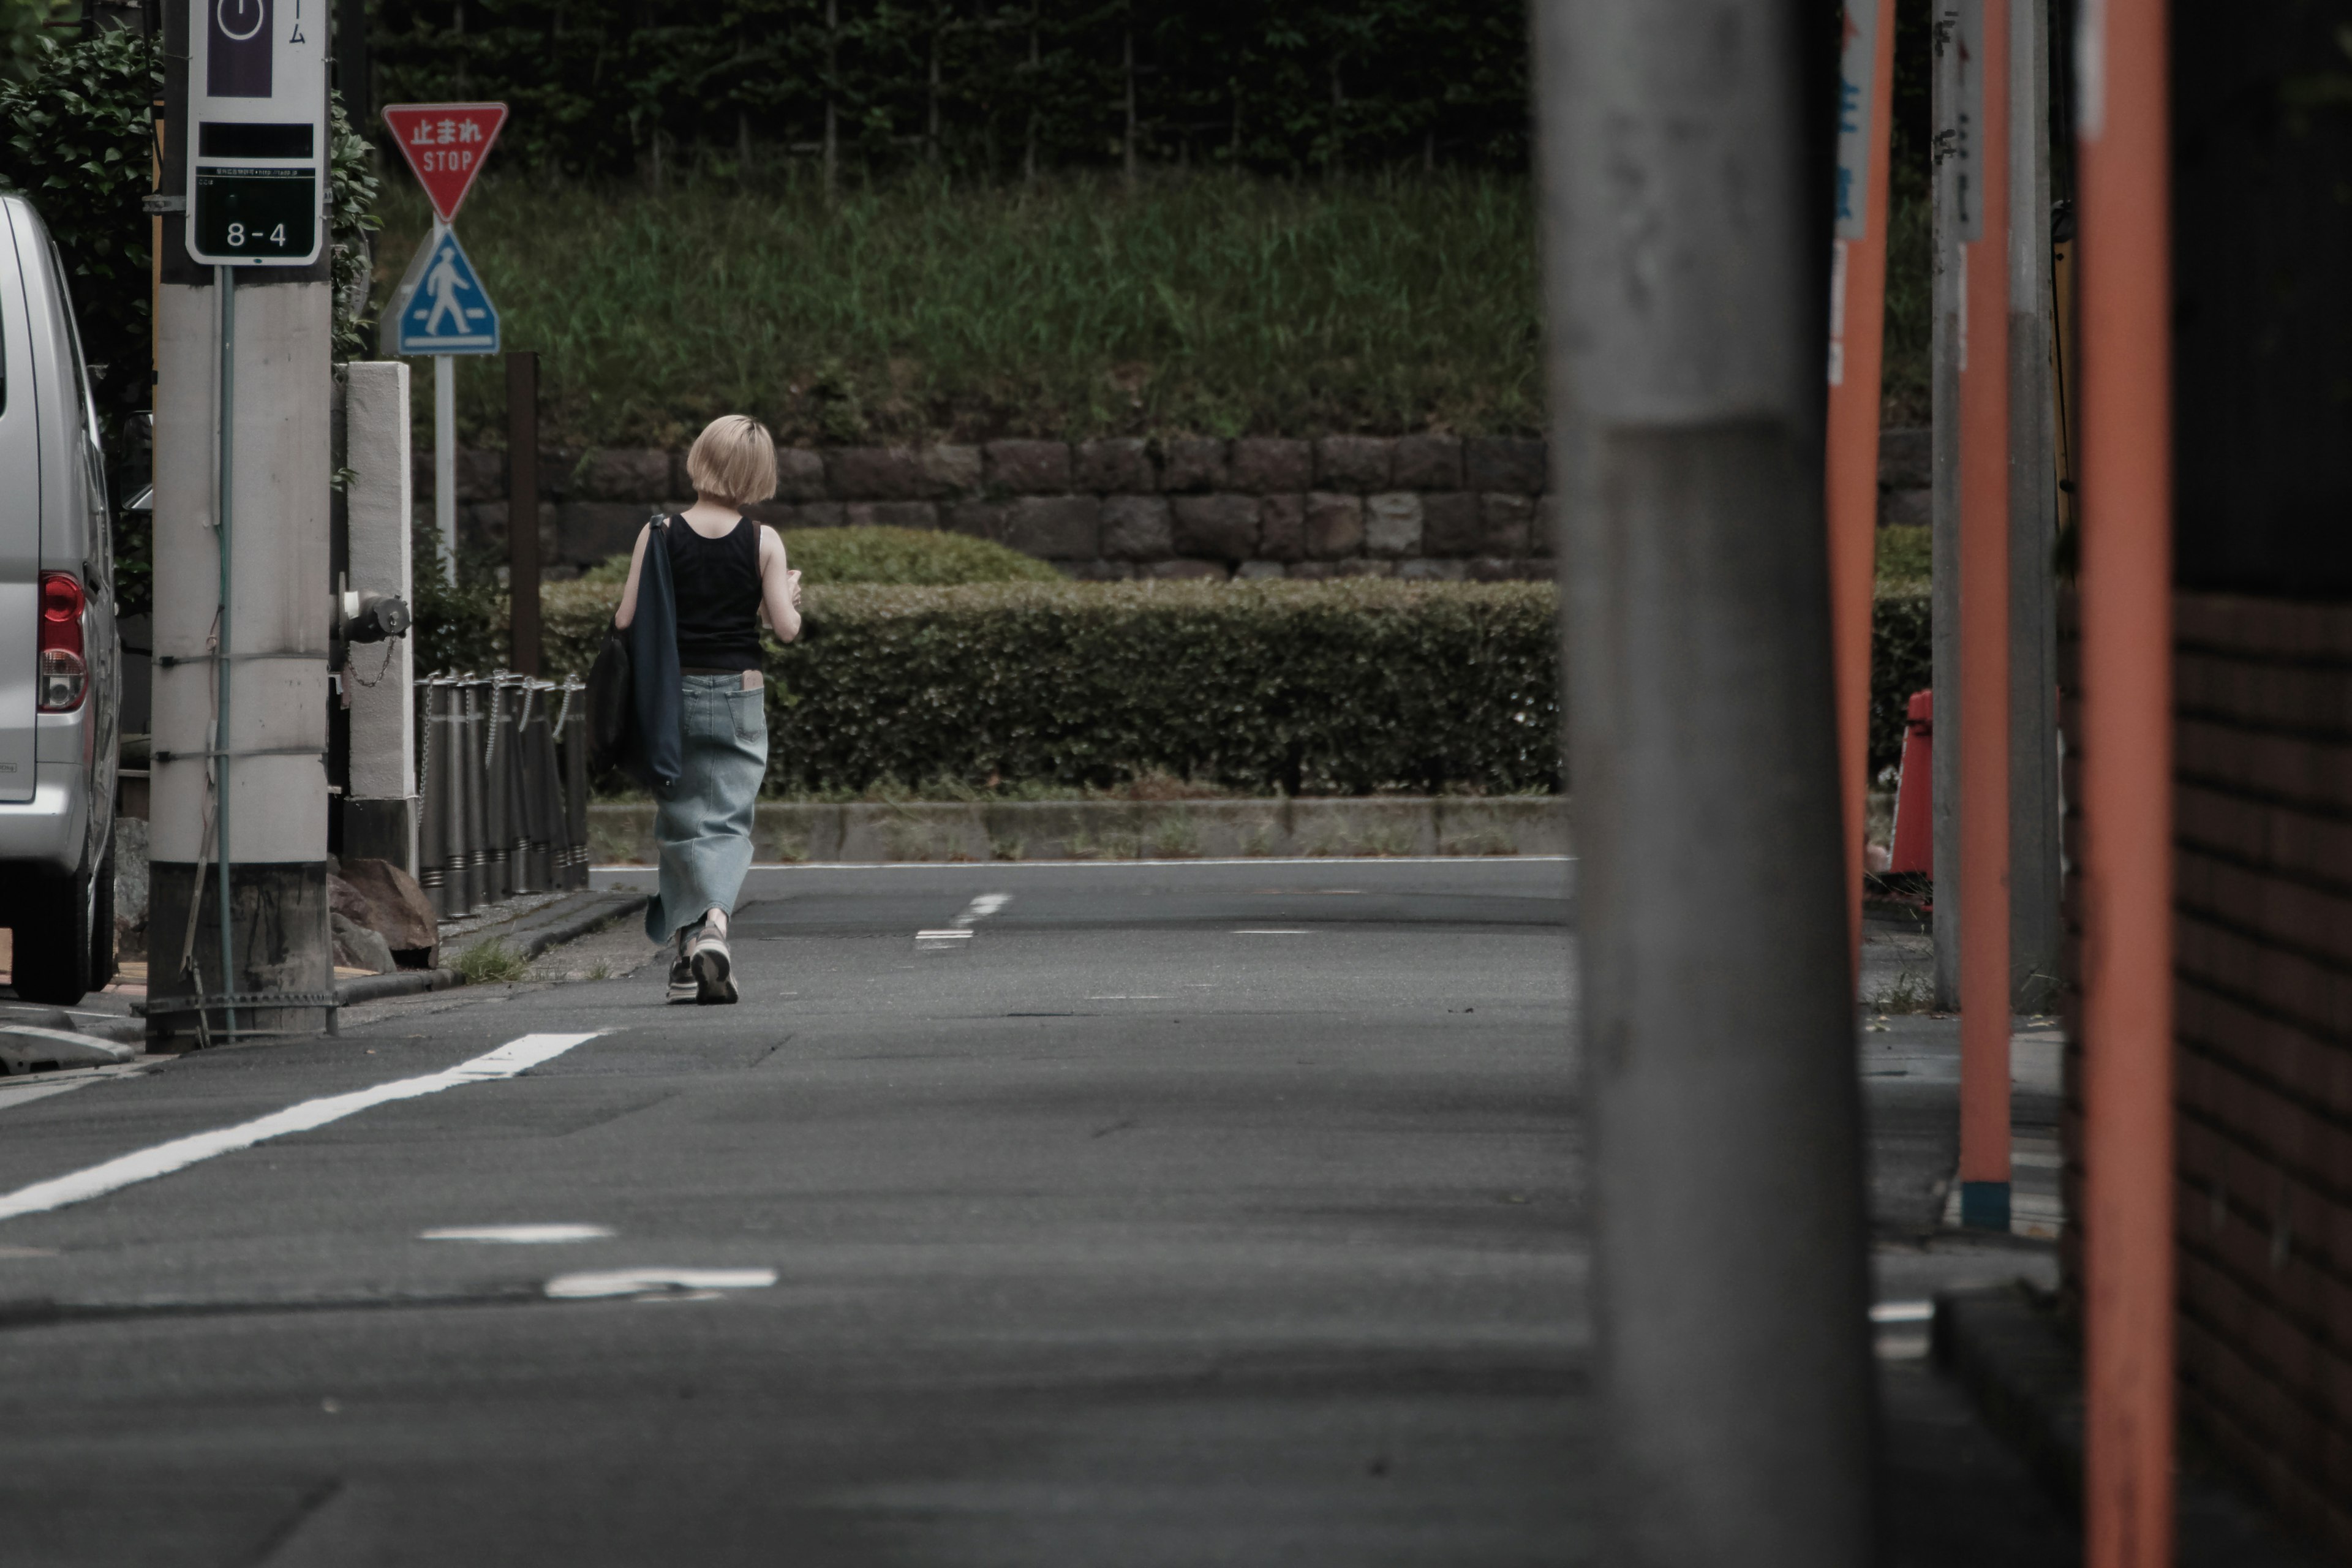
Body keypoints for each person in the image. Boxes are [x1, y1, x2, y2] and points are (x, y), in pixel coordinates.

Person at [614, 415, 802, 1004]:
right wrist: (790, 596)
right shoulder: (763, 540)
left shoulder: (659, 533)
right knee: (725, 820)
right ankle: (715, 925)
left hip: (672, 696)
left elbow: (624, 621)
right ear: (756, 474)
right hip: (739, 694)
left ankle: (683, 956)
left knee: (679, 822)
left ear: (700, 459)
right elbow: (786, 630)